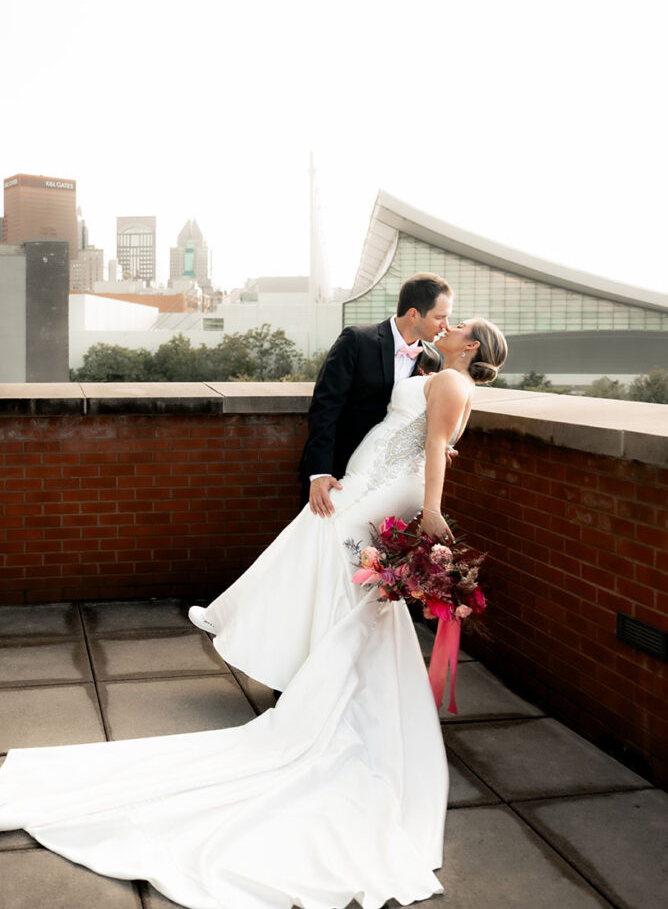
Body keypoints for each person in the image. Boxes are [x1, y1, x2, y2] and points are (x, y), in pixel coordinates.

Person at [0, 318, 507, 909]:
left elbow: (434, 451)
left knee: (345, 575)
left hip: (383, 487)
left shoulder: (449, 382)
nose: (449, 326)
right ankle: (326, 679)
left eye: (460, 326)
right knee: (349, 584)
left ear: (470, 347)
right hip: (369, 480)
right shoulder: (439, 374)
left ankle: (331, 692)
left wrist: (433, 512)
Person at [300, 271, 453, 512]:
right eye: (440, 318)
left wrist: (441, 445)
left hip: (390, 481)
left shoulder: (433, 359)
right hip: (338, 471)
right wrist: (319, 472)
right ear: (413, 314)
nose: (446, 326)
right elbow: (325, 407)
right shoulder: (356, 340)